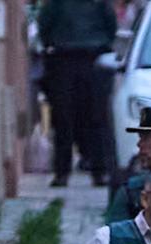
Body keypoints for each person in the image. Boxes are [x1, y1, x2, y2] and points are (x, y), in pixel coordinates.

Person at [37, 0, 116, 187]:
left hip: (68, 59)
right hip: (85, 58)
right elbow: (111, 27)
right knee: (90, 118)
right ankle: (96, 171)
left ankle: (66, 172)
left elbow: (44, 26)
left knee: (68, 118)